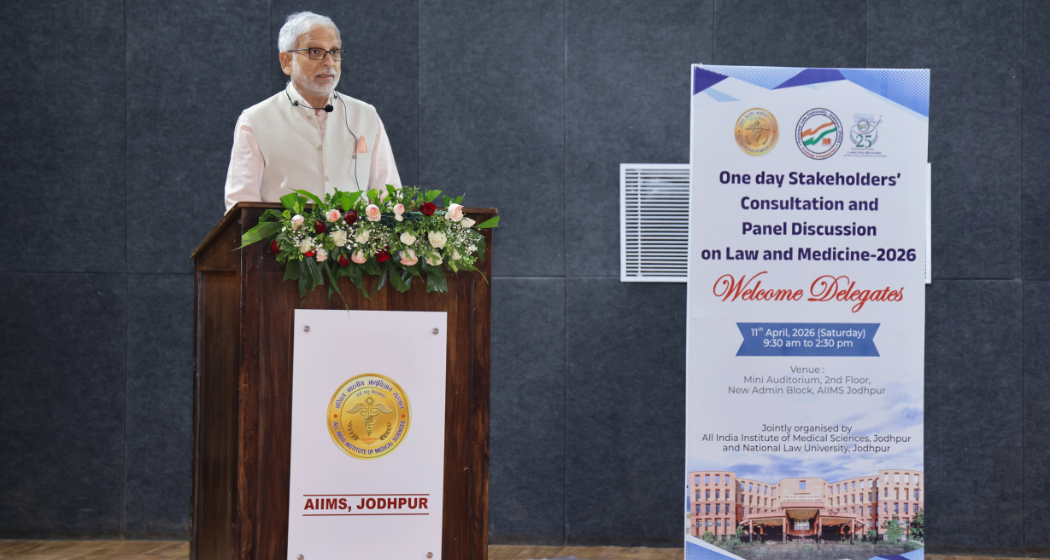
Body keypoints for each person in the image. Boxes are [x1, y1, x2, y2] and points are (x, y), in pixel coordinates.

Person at [223, 12, 401, 212]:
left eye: (334, 52)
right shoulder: (255, 121)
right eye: (315, 51)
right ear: (286, 62)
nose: (329, 62)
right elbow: (241, 208)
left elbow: (390, 197)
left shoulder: (366, 115)